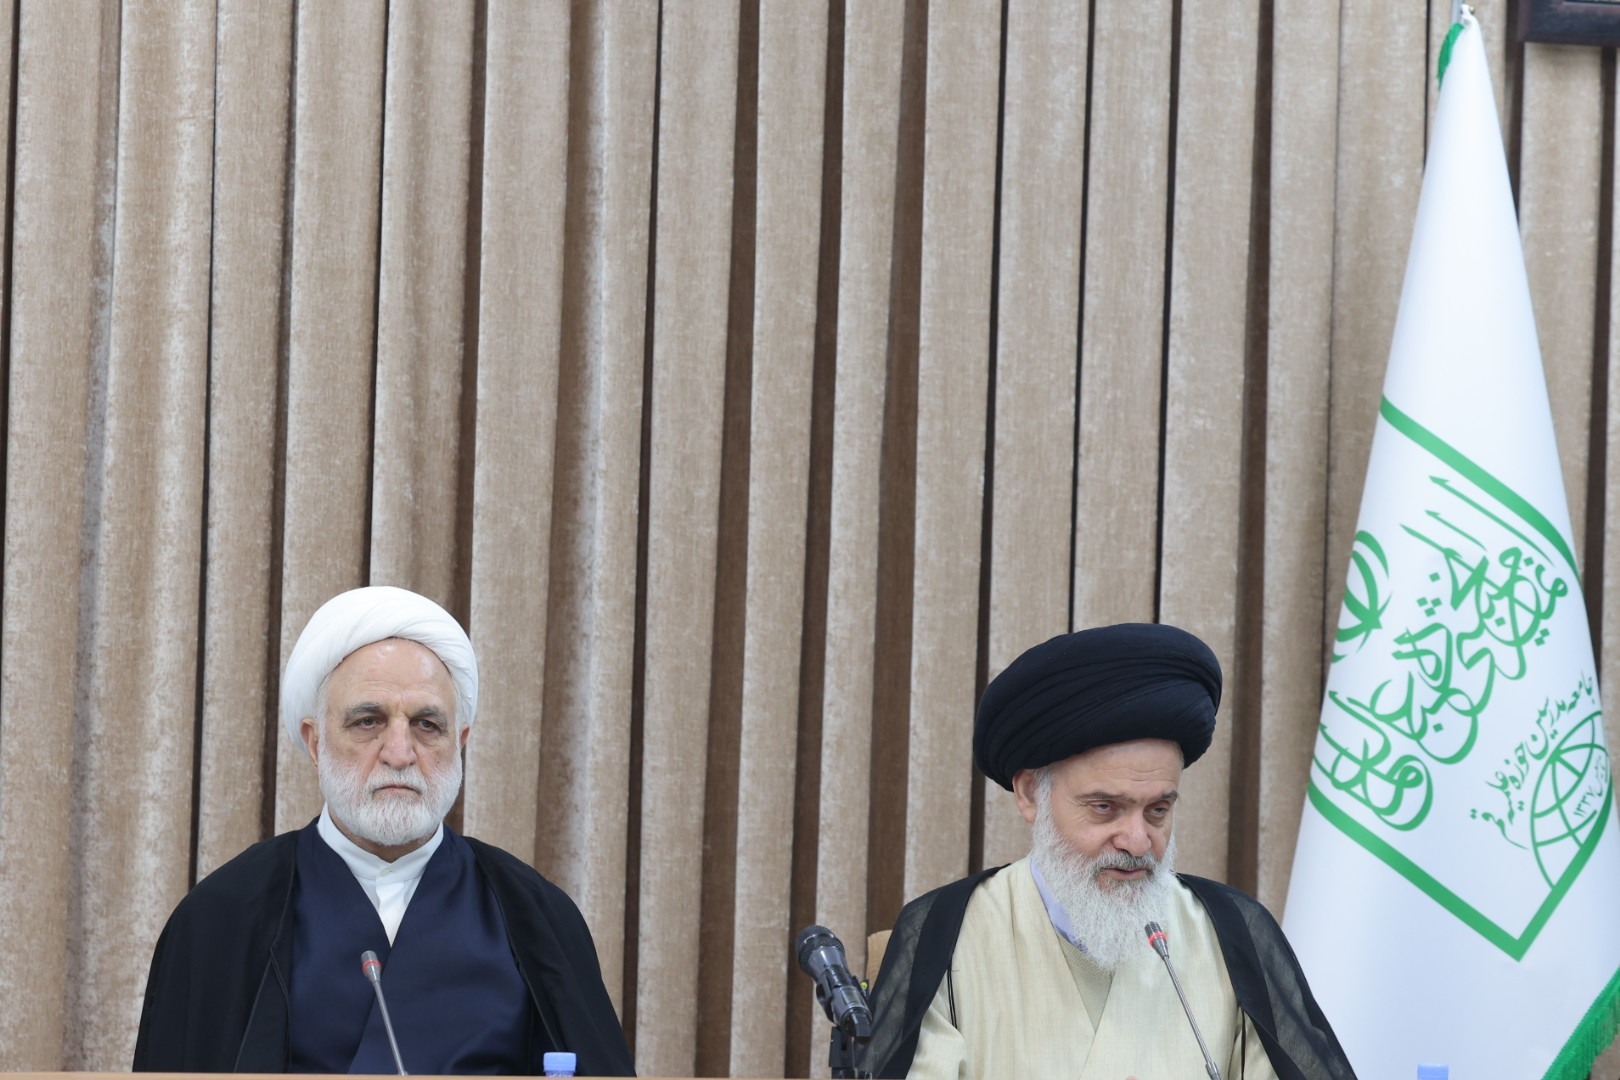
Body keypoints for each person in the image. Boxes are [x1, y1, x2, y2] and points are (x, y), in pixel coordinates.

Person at [133, 585, 634, 1076]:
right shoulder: (222, 915)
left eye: (426, 725)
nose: (399, 752)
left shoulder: (537, 916)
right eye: (369, 721)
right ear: (315, 742)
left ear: (459, 744)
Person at [861, 623, 1354, 1080]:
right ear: (1031, 794)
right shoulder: (944, 936)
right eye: (1104, 808)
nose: (1137, 842)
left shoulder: (1231, 932)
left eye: (1158, 811)